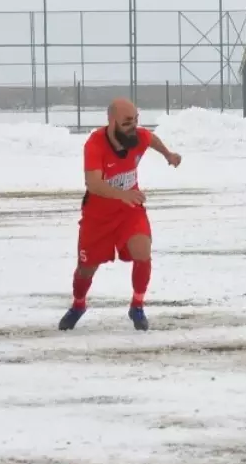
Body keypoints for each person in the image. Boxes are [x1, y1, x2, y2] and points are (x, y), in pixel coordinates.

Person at [60, 98, 182, 332]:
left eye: (136, 120)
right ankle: (78, 304)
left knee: (142, 251)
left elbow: (151, 138)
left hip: (129, 211)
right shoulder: (95, 143)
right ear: (112, 121)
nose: (133, 126)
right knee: (86, 269)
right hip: (98, 216)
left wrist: (168, 154)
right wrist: (120, 194)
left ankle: (137, 305)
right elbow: (93, 183)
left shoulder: (138, 136)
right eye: (127, 122)